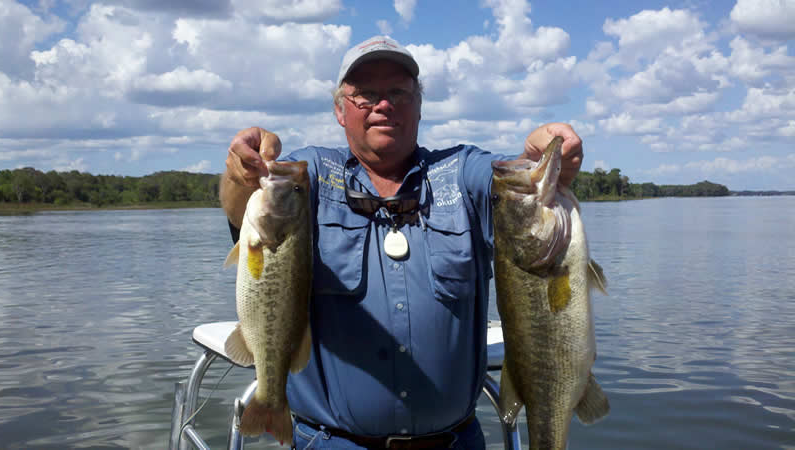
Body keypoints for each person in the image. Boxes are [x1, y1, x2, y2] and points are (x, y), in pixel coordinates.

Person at [220, 35, 583, 449]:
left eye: (398, 92)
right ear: (340, 110)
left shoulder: (462, 172)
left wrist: (538, 157)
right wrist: (239, 173)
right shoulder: (311, 176)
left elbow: (512, 186)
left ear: (419, 104)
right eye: (365, 95)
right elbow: (241, 210)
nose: (383, 104)